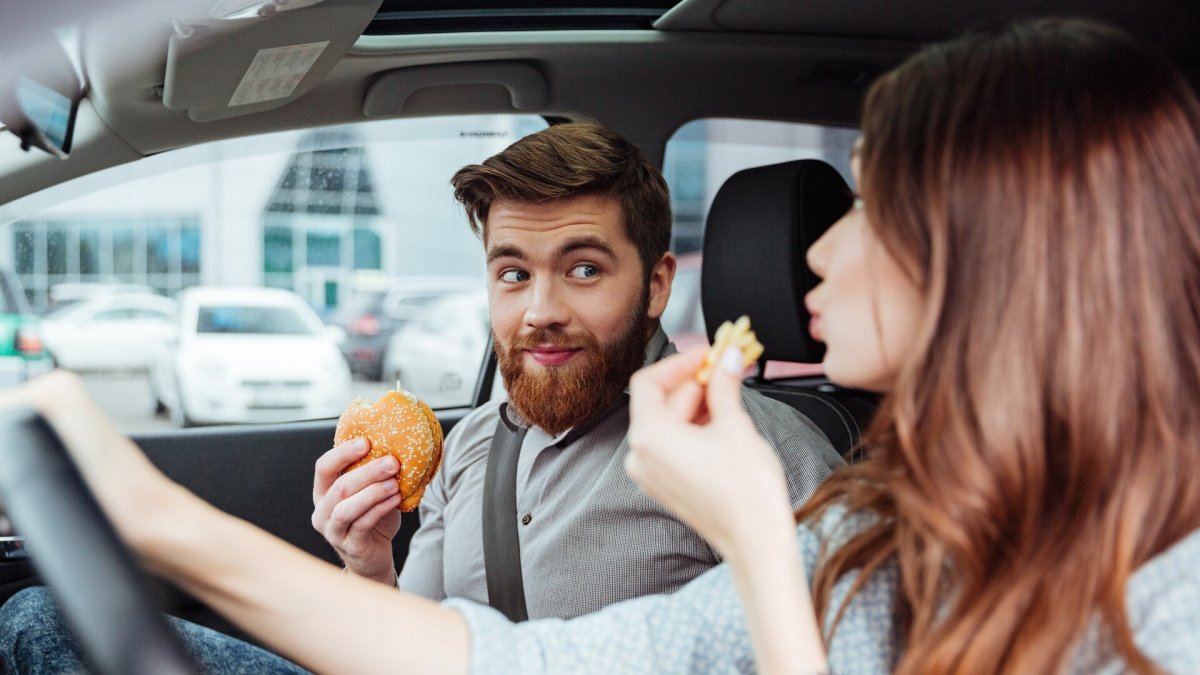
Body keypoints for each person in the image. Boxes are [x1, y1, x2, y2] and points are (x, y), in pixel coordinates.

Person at [4, 16, 1199, 675]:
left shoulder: (1167, 599)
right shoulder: (885, 532)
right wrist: (190, 529)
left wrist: (751, 533)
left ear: (992, 256)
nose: (821, 253)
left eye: (872, 210)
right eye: (510, 273)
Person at [0, 122, 841, 673]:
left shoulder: (754, 451)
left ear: (657, 285)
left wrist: (166, 523)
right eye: (513, 272)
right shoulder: (467, 443)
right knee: (42, 619)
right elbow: (403, 642)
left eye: (583, 269)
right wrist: (368, 561)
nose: (540, 309)